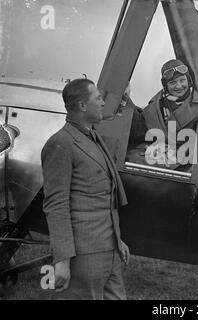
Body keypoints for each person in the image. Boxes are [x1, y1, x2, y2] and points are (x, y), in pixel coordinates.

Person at [41, 78, 130, 300]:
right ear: (82, 105)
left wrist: (116, 240)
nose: (102, 103)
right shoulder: (61, 143)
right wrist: (62, 259)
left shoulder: (92, 137)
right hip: (84, 253)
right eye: (98, 98)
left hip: (109, 248)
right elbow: (56, 204)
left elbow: (102, 197)